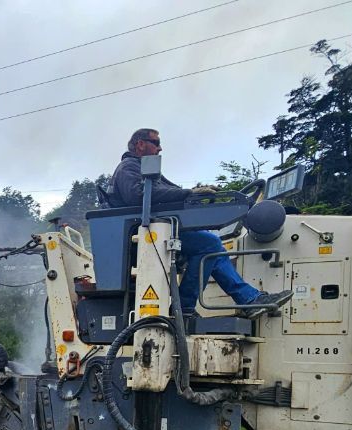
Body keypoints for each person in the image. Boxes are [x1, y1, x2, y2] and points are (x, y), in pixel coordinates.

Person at [109, 128, 292, 318]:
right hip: (147, 233)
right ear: (140, 144)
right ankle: (187, 306)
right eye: (156, 143)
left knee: (211, 244)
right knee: (210, 244)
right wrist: (189, 193)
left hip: (161, 229)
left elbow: (169, 192)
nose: (160, 148)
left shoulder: (145, 171)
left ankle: (246, 299)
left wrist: (195, 193)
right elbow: (138, 196)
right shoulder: (129, 167)